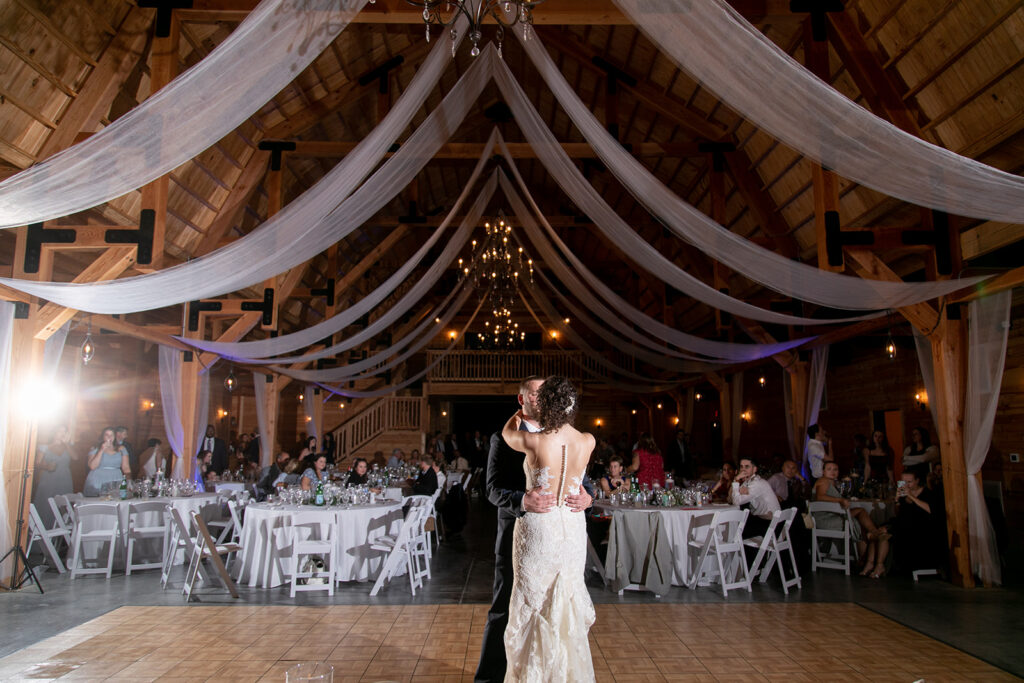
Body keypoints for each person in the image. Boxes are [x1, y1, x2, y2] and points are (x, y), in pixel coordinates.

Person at [475, 376, 594, 683]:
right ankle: (489, 678)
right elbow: (491, 489)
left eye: (544, 395)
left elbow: (582, 481)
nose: (539, 399)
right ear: (522, 399)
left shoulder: (540, 437)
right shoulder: (501, 440)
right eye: (534, 395)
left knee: (557, 605)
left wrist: (588, 495)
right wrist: (522, 500)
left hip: (557, 530)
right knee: (505, 608)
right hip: (523, 529)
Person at [812, 462, 889, 578]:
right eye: (829, 469)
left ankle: (866, 559)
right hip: (825, 518)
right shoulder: (823, 481)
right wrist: (839, 501)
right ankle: (873, 536)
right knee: (860, 515)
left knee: (860, 519)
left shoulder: (831, 482)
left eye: (835, 469)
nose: (832, 471)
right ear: (823, 471)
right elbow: (820, 497)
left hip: (832, 515)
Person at [891, 465, 946, 575]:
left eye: (909, 482)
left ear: (917, 481)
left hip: (922, 526)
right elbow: (898, 513)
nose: (906, 485)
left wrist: (911, 497)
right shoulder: (903, 494)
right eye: (903, 482)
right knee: (884, 533)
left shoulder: (927, 493)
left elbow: (930, 509)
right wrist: (897, 500)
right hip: (905, 525)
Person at [32, 425, 75, 527]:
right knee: (46, 506)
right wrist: (46, 466)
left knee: (64, 506)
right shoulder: (45, 447)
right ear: (54, 433)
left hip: (65, 479)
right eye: (60, 431)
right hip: (49, 480)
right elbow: (37, 463)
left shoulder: (68, 446)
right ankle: (43, 533)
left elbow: (75, 457)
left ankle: (61, 538)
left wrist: (67, 444)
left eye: (64, 432)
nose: (62, 434)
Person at [730, 457, 780, 539]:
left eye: (747, 467)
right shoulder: (749, 482)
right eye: (741, 466)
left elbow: (736, 501)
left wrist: (736, 480)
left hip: (770, 526)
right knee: (737, 524)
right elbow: (731, 499)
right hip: (765, 521)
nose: (743, 470)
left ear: (754, 469)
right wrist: (736, 483)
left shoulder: (757, 484)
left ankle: (730, 550)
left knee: (735, 529)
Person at [83, 427, 131, 496]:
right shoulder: (95, 448)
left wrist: (129, 481)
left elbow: (126, 468)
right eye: (107, 435)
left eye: (111, 435)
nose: (109, 437)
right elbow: (92, 466)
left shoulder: (121, 449)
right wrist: (101, 450)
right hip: (98, 479)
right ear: (103, 436)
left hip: (116, 478)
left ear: (115, 437)